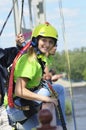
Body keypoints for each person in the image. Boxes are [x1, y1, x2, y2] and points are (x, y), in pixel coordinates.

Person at [7, 22, 61, 130]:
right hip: (16, 107)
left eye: (50, 41)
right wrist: (46, 99)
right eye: (44, 40)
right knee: (57, 90)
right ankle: (60, 125)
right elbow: (19, 91)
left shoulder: (39, 58)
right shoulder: (30, 61)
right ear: (36, 41)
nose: (47, 44)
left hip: (22, 105)